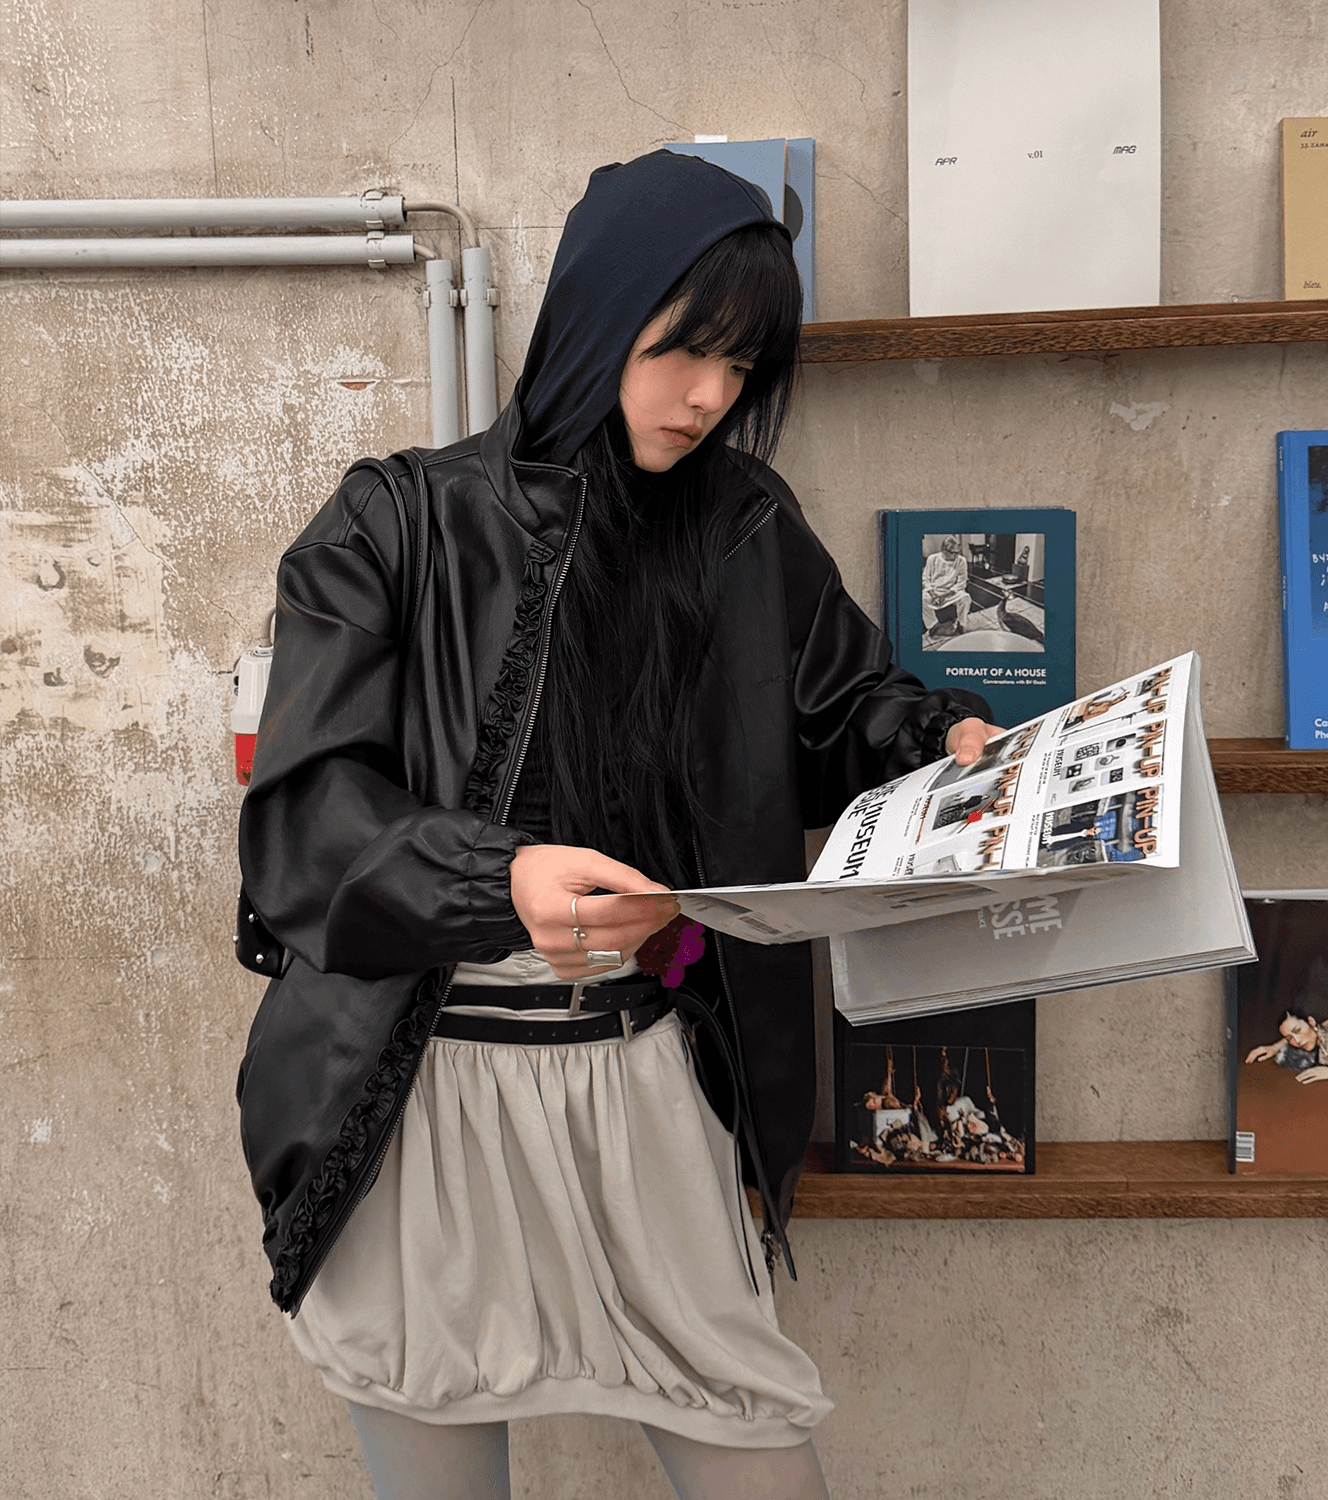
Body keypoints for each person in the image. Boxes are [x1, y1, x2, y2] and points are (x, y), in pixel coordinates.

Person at [235, 149, 996, 1500]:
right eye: (681, 350)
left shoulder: (743, 529)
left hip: (644, 1075)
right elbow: (307, 815)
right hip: (416, 1099)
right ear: (596, 319)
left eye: (741, 365)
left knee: (754, 1443)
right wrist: (501, 878)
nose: (710, 397)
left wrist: (942, 741)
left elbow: (840, 710)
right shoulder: (394, 522)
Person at [921, 533, 972, 636]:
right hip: (934, 591)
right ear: (944, 550)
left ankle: (962, 624)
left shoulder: (961, 561)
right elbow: (926, 579)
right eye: (953, 553)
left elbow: (961, 583)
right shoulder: (932, 559)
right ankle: (933, 625)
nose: (956, 555)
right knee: (922, 598)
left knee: (965, 598)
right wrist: (934, 595)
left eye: (958, 552)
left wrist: (945, 596)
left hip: (951, 592)